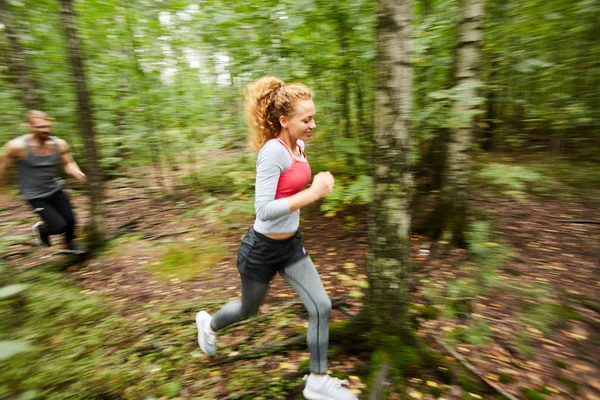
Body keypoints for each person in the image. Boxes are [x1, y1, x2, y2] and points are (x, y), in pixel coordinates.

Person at [195, 77, 357, 400]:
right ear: (284, 121)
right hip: (261, 250)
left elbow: (290, 188)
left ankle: (317, 380)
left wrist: (310, 191)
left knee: (321, 306)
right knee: (247, 310)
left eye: (313, 117)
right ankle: (209, 324)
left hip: (290, 246)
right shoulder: (272, 152)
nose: (313, 124)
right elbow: (264, 209)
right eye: (306, 119)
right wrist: (313, 194)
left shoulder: (298, 146)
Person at [0, 110, 87, 254]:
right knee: (59, 227)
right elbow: (3, 167)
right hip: (36, 196)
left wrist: (75, 171)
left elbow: (68, 163)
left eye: (47, 126)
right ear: (30, 127)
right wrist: (2, 191)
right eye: (40, 127)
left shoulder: (59, 144)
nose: (45, 130)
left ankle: (68, 245)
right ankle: (41, 230)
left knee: (71, 222)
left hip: (55, 189)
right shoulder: (18, 147)